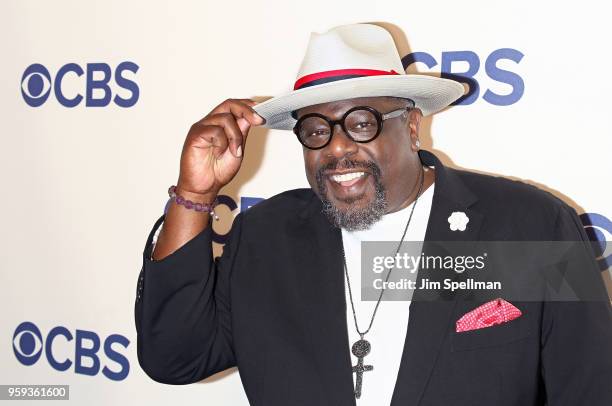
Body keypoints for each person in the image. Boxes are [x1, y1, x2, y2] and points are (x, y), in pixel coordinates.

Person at [134, 23, 612, 405]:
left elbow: (590, 387)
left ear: (411, 126)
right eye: (316, 130)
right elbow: (175, 358)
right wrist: (195, 194)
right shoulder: (266, 238)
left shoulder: (526, 228)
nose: (337, 148)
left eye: (361, 123)